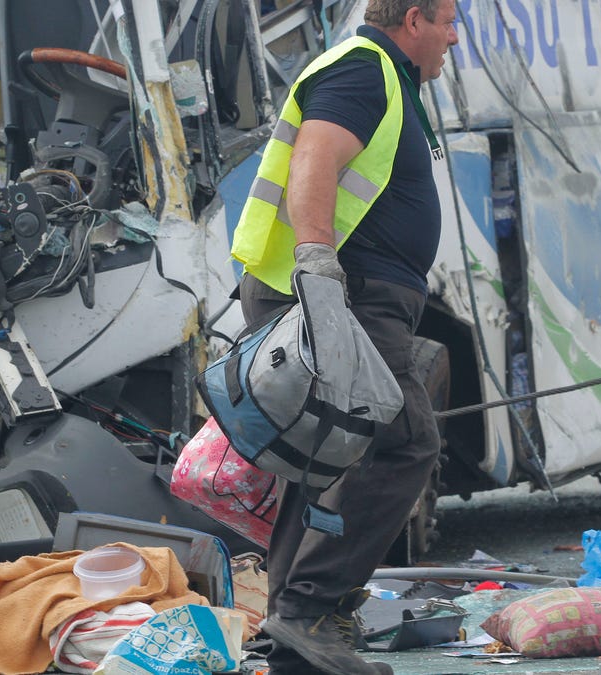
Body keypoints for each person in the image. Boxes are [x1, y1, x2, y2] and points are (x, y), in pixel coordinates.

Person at [228, 2, 458, 673]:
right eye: (447, 20)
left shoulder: (386, 78)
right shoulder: (364, 70)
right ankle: (307, 607)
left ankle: (291, 635)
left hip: (353, 293)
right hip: (343, 293)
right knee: (405, 440)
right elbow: (315, 161)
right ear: (412, 19)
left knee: (325, 458)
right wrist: (318, 271)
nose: (454, 36)